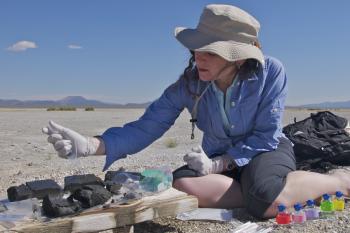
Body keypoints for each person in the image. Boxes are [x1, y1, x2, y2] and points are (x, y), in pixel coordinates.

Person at [43, 4, 350, 219]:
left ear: (238, 57)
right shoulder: (190, 85)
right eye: (196, 50)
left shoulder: (271, 72)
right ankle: (262, 186)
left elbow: (266, 135)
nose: (198, 58)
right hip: (215, 159)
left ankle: (338, 180)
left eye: (209, 51)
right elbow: (147, 126)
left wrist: (219, 166)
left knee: (266, 201)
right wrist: (90, 145)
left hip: (264, 150)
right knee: (180, 184)